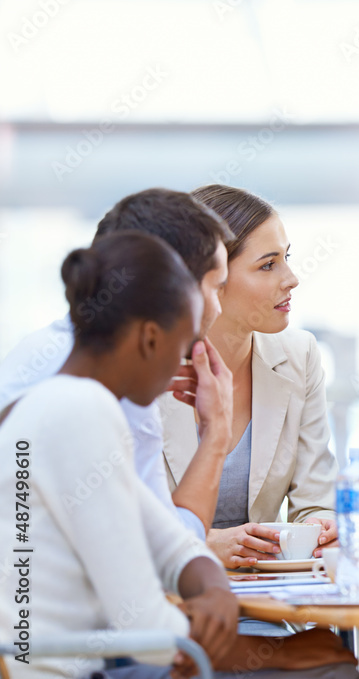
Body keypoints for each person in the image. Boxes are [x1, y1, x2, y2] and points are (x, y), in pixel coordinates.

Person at [0, 232, 239, 679]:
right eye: (183, 342)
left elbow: (170, 543)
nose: (183, 361)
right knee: (319, 668)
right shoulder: (79, 411)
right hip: (53, 669)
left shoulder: (54, 402)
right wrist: (230, 635)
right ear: (150, 337)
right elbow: (146, 628)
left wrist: (215, 590)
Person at [0, 188, 234, 538]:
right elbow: (165, 549)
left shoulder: (46, 351)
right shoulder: (104, 388)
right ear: (171, 284)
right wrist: (217, 431)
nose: (217, 308)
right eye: (216, 288)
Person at [159, 185, 336, 569]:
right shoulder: (146, 373)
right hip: (166, 599)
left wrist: (322, 527)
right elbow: (124, 527)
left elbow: (317, 501)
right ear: (212, 277)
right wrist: (204, 546)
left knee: (321, 635)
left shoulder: (299, 355)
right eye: (268, 265)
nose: (291, 279)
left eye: (287, 258)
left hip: (267, 597)